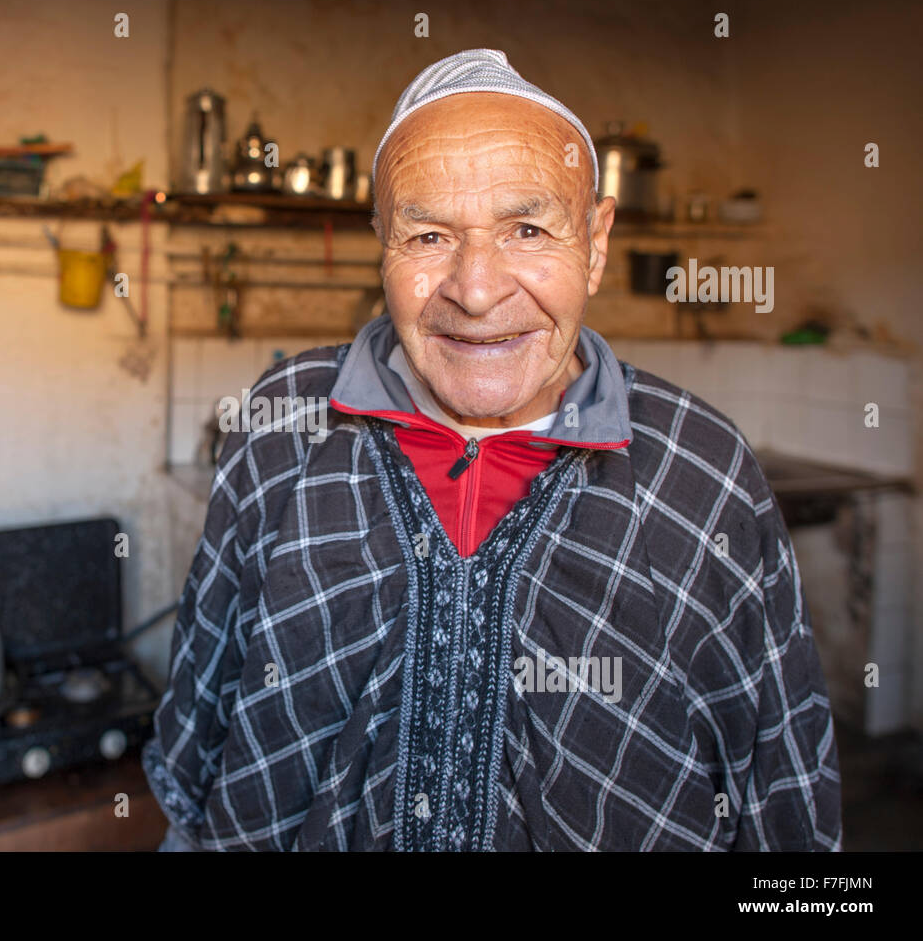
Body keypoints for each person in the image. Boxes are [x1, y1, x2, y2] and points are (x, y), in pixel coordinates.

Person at [143, 48, 841, 851]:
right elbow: (204, 708)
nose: (476, 289)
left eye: (528, 229)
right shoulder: (285, 420)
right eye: (429, 234)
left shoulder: (700, 464)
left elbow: (782, 776)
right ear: (381, 243)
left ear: (596, 240)